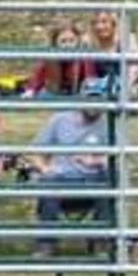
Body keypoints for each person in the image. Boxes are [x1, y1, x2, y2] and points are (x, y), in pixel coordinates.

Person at [28, 98, 111, 256]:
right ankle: (46, 244)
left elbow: (120, 157)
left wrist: (95, 161)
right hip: (60, 179)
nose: (95, 106)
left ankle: (101, 242)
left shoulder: (110, 124)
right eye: (91, 99)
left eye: (99, 101)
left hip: (93, 181)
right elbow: (34, 152)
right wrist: (44, 168)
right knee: (48, 181)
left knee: (110, 179)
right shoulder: (59, 119)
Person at [82, 9, 138, 99]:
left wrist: (125, 86)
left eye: (104, 22)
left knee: (133, 92)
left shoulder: (127, 39)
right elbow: (89, 72)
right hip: (100, 86)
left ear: (113, 23)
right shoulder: (88, 42)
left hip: (129, 83)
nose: (100, 27)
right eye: (95, 23)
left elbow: (135, 68)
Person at [25, 21, 95, 98]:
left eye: (72, 41)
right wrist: (30, 90)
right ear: (55, 43)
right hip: (54, 92)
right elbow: (37, 77)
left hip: (76, 93)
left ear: (77, 41)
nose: (68, 45)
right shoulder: (49, 58)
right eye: (63, 41)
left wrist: (89, 86)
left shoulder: (83, 56)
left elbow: (90, 76)